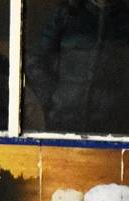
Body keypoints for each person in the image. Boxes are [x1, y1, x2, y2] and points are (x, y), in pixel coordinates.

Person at [25, 0, 129, 134]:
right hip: (63, 120)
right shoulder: (67, 14)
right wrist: (53, 96)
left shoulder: (125, 19)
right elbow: (35, 58)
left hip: (113, 126)